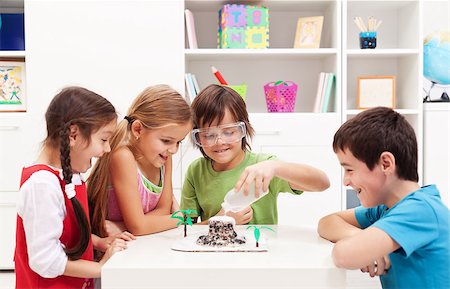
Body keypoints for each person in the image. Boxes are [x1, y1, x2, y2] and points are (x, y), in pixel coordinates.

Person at [15, 86, 134, 289]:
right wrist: (100, 268)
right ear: (73, 135)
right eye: (104, 140)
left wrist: (97, 242)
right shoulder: (42, 185)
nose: (107, 149)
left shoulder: (70, 176)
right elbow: (45, 260)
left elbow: (65, 234)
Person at [317, 107, 450, 289]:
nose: (345, 181)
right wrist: (360, 236)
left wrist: (362, 245)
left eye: (349, 170)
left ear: (385, 164)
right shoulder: (386, 209)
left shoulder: (421, 211)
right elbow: (327, 222)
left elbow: (343, 255)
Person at [180, 84, 330, 225]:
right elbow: (185, 228)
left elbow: (322, 183)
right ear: (197, 137)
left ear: (243, 130)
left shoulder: (264, 167)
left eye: (229, 132)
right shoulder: (196, 171)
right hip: (216, 252)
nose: (219, 142)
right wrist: (221, 220)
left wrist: (276, 167)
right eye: (208, 135)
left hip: (262, 251)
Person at [88, 85, 192, 237]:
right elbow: (140, 227)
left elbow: (163, 210)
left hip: (135, 242)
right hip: (109, 249)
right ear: (138, 129)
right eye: (166, 140)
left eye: (178, 142)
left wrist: (125, 226)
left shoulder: (165, 157)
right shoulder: (123, 156)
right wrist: (181, 218)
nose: (173, 150)